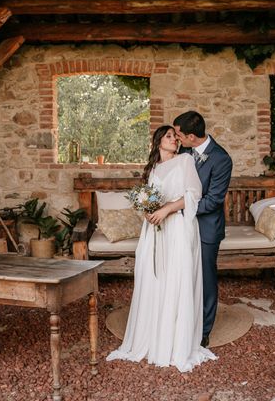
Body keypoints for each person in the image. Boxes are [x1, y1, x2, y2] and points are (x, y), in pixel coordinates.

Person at [106, 125, 216, 372]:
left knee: (176, 279)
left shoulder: (185, 161)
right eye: (169, 136)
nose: (174, 140)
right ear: (158, 142)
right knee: (155, 279)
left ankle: (174, 340)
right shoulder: (153, 169)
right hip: (155, 232)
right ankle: (154, 335)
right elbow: (147, 198)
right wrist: (147, 211)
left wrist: (166, 209)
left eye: (175, 137)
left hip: (177, 227)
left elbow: (194, 195)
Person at [173, 111, 233, 348]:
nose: (176, 138)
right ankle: (183, 320)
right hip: (181, 227)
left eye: (179, 135)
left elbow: (213, 201)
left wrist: (177, 209)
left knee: (206, 279)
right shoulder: (184, 151)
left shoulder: (221, 159)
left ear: (191, 136)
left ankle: (204, 329)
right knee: (183, 274)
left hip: (206, 229)